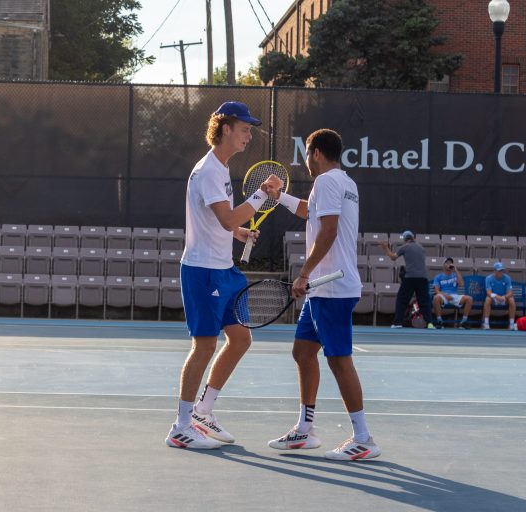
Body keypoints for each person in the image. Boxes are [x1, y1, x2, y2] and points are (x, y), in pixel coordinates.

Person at [261, 128, 381, 460]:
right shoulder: (345, 183)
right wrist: (279, 195)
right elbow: (309, 212)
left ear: (315, 153)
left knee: (339, 360)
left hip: (332, 288)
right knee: (302, 352)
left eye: (306, 155)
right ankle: (304, 430)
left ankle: (364, 438)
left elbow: (328, 230)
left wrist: (304, 273)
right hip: (323, 289)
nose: (305, 162)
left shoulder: (327, 182)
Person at [165, 101, 269, 450]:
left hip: (224, 269)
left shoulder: (221, 169)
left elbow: (221, 222)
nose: (248, 134)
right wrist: (261, 195)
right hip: (203, 271)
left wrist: (238, 234)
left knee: (240, 339)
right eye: (244, 128)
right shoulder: (209, 170)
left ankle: (203, 412)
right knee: (205, 345)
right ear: (225, 128)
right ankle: (180, 426)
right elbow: (227, 218)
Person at [379, 232, 434, 329]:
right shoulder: (421, 248)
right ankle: (430, 323)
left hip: (410, 277)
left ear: (405, 239)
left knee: (402, 300)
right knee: (424, 301)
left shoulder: (405, 247)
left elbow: (393, 257)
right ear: (413, 238)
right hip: (423, 278)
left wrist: (385, 247)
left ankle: (397, 323)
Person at [432, 257, 472, 329]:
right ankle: (439, 321)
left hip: (455, 296)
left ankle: (463, 322)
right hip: (443, 296)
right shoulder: (438, 277)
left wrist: (456, 269)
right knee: (436, 297)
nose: (449, 264)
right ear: (443, 265)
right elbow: (437, 291)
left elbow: (461, 284)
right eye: (447, 263)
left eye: (450, 262)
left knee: (469, 299)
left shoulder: (455, 275)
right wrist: (446, 295)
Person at [482, 262, 517, 331]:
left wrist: (504, 297)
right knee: (487, 300)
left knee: (512, 300)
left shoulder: (507, 278)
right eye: (499, 271)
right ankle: (486, 323)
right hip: (494, 298)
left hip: (504, 298)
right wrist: (497, 296)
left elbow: (510, 292)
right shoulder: (488, 278)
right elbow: (488, 292)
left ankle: (511, 324)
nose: (501, 272)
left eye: (502, 270)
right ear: (494, 271)